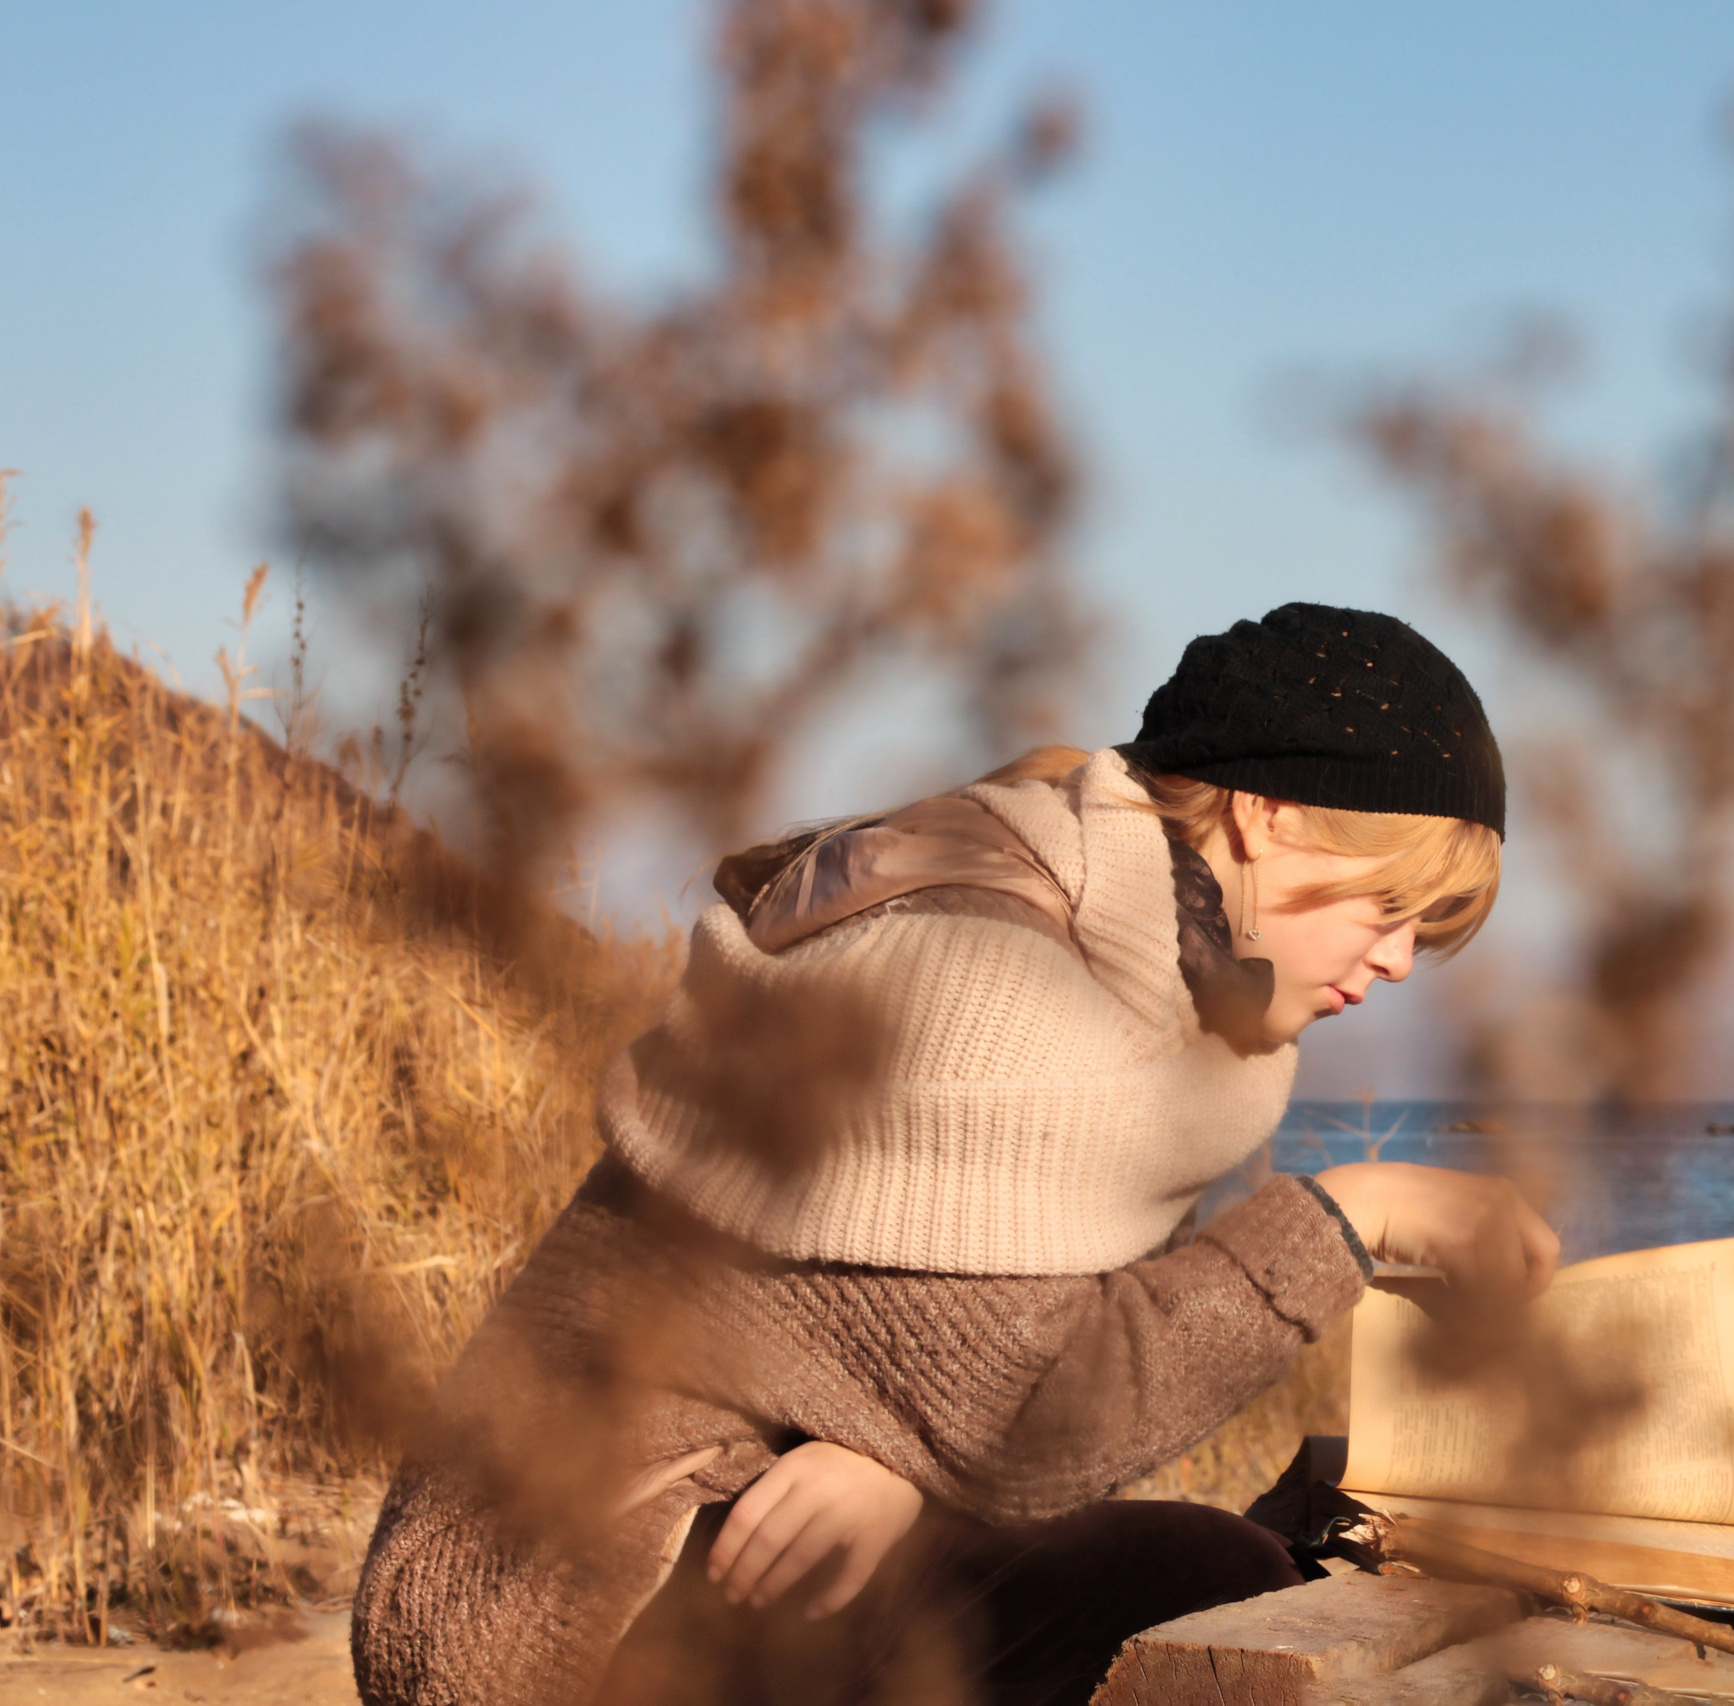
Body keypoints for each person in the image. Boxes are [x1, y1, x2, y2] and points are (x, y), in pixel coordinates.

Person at [350, 604, 1559, 1706]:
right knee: (1202, 1590)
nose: (1398, 959)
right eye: (1388, 907)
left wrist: (902, 1467)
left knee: (1222, 1572)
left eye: (1424, 933)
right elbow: (1037, 1410)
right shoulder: (994, 982)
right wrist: (1357, 1211)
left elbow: (938, 1357)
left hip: (734, 1512)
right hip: (559, 1594)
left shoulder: (1140, 987)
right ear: (1267, 814)